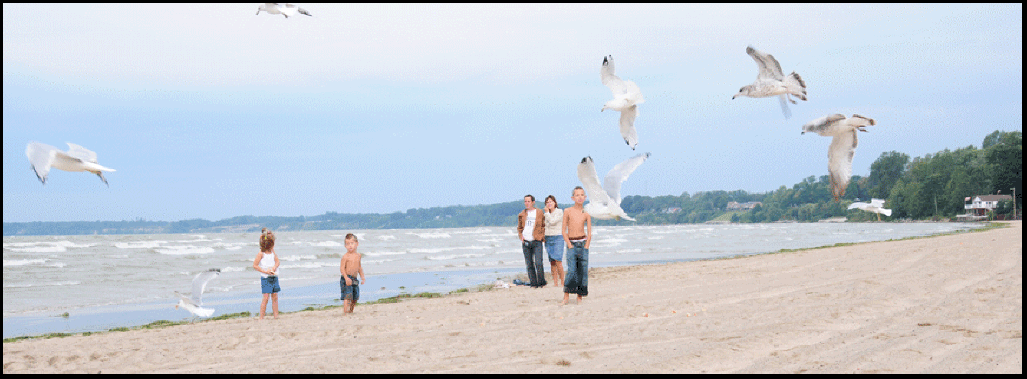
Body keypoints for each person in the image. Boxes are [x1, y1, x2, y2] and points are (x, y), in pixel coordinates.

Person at [562, 186, 592, 305]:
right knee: (571, 271)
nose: (580, 197)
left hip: (583, 244)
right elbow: (563, 230)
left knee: (582, 272)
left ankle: (579, 297)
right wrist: (569, 244)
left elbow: (589, 231)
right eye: (577, 195)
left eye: (582, 195)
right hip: (572, 244)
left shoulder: (586, 212)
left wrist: (587, 245)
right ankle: (566, 297)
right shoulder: (567, 211)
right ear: (573, 198)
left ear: (585, 197)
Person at [517, 194, 547, 288]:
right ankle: (533, 284)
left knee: (538, 263)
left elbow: (543, 225)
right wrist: (520, 236)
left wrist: (542, 236)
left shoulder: (539, 212)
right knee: (529, 264)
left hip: (536, 241)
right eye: (525, 201)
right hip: (526, 242)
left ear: (533, 202)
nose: (527, 203)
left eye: (528, 201)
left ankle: (541, 282)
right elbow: (519, 228)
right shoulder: (522, 214)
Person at [253, 229, 281, 319]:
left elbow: (277, 261)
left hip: (274, 277)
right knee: (265, 298)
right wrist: (265, 271)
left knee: (275, 297)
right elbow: (255, 265)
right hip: (266, 278)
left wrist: (274, 268)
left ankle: (276, 316)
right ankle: (261, 317)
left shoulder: (272, 252)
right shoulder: (261, 253)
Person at [339, 233, 366, 314]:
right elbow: (342, 268)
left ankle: (351, 311)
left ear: (357, 244)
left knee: (355, 296)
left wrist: (362, 277)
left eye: (352, 243)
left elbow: (359, 267)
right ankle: (345, 312)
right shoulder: (345, 256)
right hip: (346, 278)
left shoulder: (358, 255)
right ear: (345, 246)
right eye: (347, 244)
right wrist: (346, 278)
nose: (350, 246)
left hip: (354, 279)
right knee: (347, 295)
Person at [543, 195, 565, 288]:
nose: (549, 203)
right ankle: (555, 283)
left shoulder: (559, 212)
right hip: (548, 238)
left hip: (558, 237)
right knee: (552, 261)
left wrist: (547, 213)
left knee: (558, 260)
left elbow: (552, 222)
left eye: (551, 201)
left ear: (555, 203)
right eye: (547, 202)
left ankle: (563, 282)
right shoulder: (545, 214)